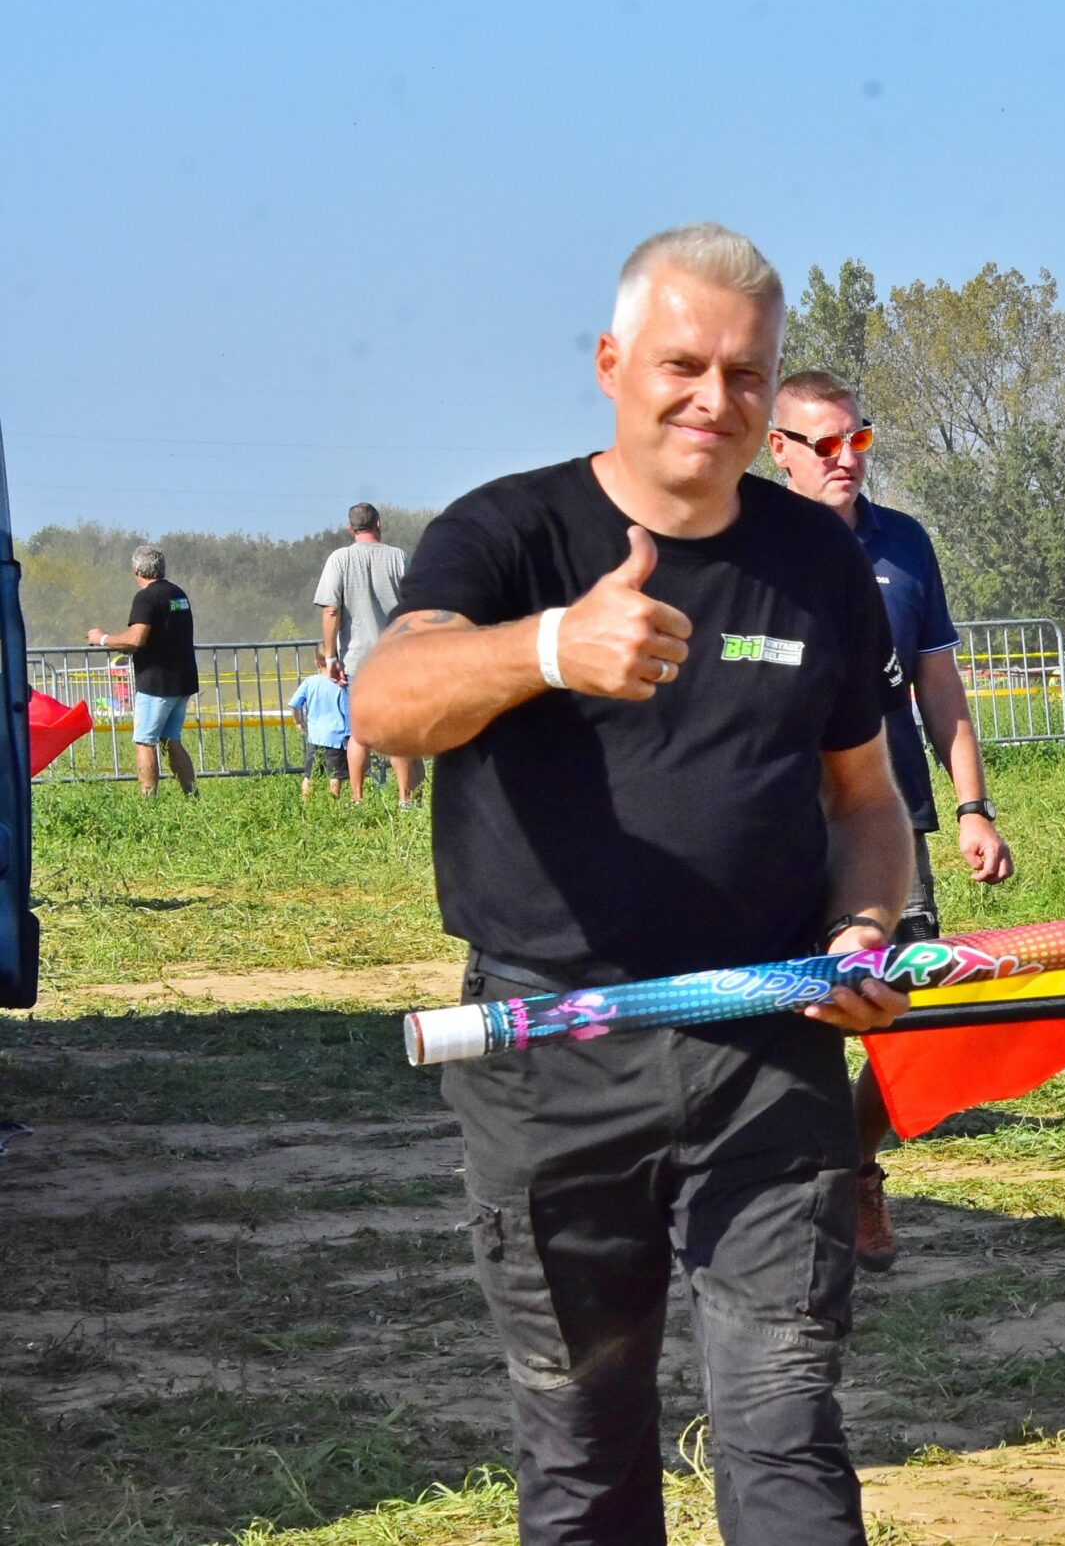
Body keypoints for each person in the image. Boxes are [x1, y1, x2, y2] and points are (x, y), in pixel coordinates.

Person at [350, 223, 915, 1546]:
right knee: (583, 1449)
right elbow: (386, 701)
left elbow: (866, 801)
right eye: (683, 365)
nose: (715, 399)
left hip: (766, 1045)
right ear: (611, 363)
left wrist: (863, 926)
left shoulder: (818, 561)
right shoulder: (508, 533)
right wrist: (551, 647)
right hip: (550, 1052)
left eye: (745, 374)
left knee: (785, 1429)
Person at [767, 366, 1016, 1274]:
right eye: (825, 444)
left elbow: (938, 684)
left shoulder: (904, 544)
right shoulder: (749, 542)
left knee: (905, 1006)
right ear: (779, 450)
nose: (846, 459)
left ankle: (857, 1166)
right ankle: (785, 1194)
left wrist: (973, 807)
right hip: (777, 820)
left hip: (886, 817)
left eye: (858, 439)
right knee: (788, 1008)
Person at [316, 502, 419, 806]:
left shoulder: (340, 559)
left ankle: (357, 799)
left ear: (351, 528)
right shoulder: (398, 557)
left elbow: (331, 610)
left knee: (359, 733)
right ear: (379, 524)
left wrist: (331, 657)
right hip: (395, 659)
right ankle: (404, 799)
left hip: (356, 660)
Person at [87, 544, 198, 798]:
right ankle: (192, 796)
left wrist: (101, 638)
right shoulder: (178, 594)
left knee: (145, 741)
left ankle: (148, 803)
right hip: (182, 680)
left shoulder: (146, 598)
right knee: (171, 740)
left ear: (136, 570)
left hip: (157, 683)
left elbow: (136, 639)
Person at [288, 648, 352, 799]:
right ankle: (333, 803)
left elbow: (294, 704)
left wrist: (298, 722)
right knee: (335, 775)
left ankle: (305, 801)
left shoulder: (310, 682)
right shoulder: (340, 683)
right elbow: (347, 710)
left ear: (317, 663)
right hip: (336, 738)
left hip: (315, 737)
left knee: (309, 775)